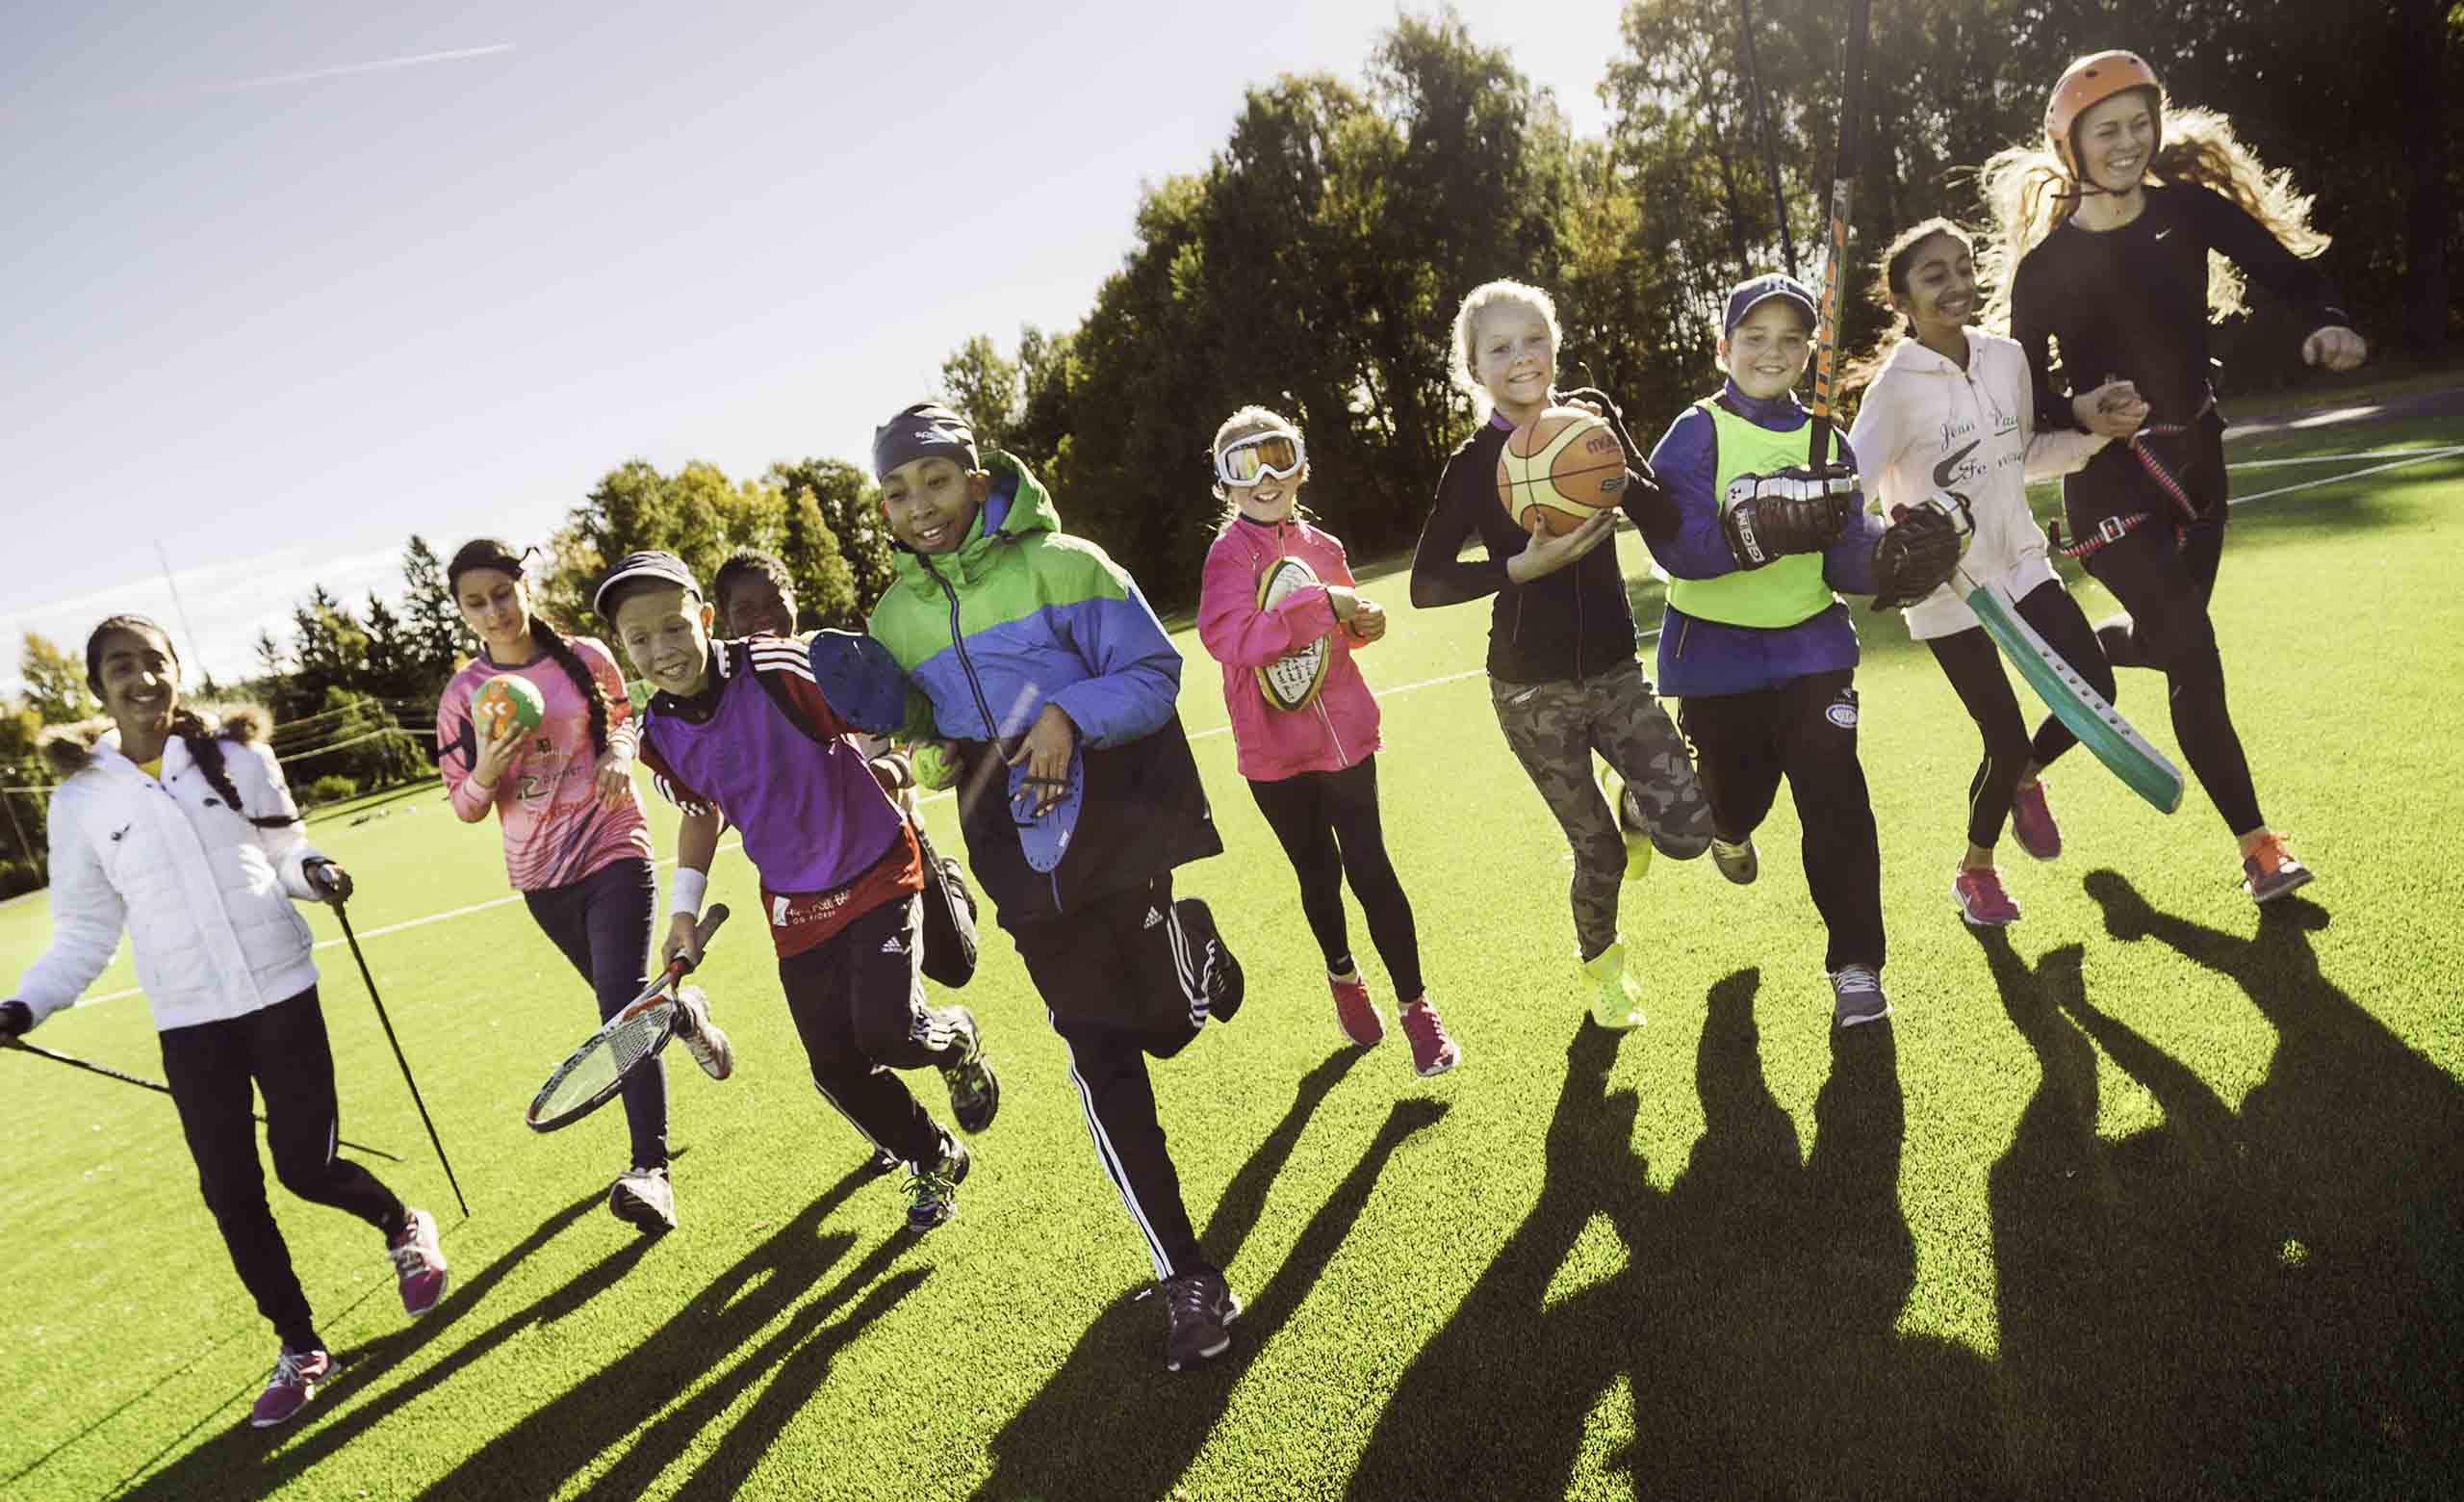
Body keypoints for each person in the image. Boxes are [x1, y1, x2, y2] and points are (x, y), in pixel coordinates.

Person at [864, 402, 1246, 1373]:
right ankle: (1186, 1275)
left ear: (978, 477)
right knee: (1103, 1056)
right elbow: (928, 745)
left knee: (1167, 1025)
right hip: (1014, 849)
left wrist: (1068, 715)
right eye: (899, 493)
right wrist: (909, 756)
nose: (921, 508)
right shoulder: (892, 619)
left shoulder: (1066, 564)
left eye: (937, 482)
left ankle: (1186, 941)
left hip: (1116, 821)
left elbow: (1156, 673)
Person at [2, 615, 446, 1430]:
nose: (142, 679)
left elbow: (285, 853)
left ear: (177, 669)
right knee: (231, 1193)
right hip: (190, 1020)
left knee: (305, 1167)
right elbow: (86, 930)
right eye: (120, 668)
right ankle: (301, 1346)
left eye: (155, 662)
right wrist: (26, 1003)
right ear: (97, 687)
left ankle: (403, 1225)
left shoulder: (239, 754)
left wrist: (317, 873)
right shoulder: (79, 799)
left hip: (281, 992)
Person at [1978, 49, 2368, 903]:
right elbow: (2025, 396)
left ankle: (2022, 768)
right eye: (2106, 129)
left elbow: (2292, 276)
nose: (2128, 142)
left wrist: (2330, 322)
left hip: (2200, 460)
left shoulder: (2189, 211)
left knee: (2161, 641)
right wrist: (2080, 411)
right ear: (2068, 144)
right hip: (2110, 485)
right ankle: (2260, 848)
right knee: (2195, 652)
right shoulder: (2043, 269)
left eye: (2138, 123)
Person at [598, 551, 999, 1236]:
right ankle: (932, 1155)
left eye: (673, 627)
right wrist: (683, 914)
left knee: (892, 1030)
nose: (660, 650)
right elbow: (700, 814)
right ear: (624, 647)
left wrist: (892, 762)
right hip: (795, 904)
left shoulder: (777, 666)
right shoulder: (659, 738)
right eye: (639, 639)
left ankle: (955, 1039)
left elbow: (866, 709)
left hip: (875, 866)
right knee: (836, 1066)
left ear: (703, 618)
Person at [1644, 272, 1961, 1027]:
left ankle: (1856, 966)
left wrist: (1892, 560)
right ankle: (1726, 822)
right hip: (1714, 662)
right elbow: (1675, 547)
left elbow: (1845, 561)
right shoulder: (1696, 431)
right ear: (1724, 347)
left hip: (1811, 653)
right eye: (1754, 338)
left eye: (1791, 339)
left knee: (1836, 798)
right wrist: (1757, 529)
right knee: (1739, 796)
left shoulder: (1832, 441)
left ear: (1812, 353)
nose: (1771, 353)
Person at [1406, 279, 1713, 1033]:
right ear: (1473, 368)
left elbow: (1663, 512)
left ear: (1556, 344)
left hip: (1613, 668)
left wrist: (1605, 462)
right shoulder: (1474, 464)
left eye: (1534, 339)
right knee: (1597, 855)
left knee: (1689, 831)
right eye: (1500, 348)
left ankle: (1635, 809)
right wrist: (1517, 568)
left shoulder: (1591, 422)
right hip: (1529, 691)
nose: (1522, 358)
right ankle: (1604, 971)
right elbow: (1425, 584)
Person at [434, 539, 730, 1233]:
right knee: (629, 1007)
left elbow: (626, 718)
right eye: (475, 604)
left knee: (618, 1014)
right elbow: (465, 805)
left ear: (524, 585)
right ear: (460, 611)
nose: (493, 612)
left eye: (501, 594)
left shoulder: (587, 656)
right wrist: (488, 766)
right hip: (541, 878)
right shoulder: (462, 698)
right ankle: (682, 1016)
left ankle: (650, 1171)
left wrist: (620, 755)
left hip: (612, 848)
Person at [1845, 217, 2134, 924]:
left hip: (2021, 558)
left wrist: (2093, 438)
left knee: (2095, 686)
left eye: (1963, 267)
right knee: (2000, 737)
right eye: (1934, 275)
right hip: (1948, 588)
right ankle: (1976, 872)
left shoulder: (2006, 358)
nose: (1956, 284)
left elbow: (2022, 451)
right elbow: (1847, 494)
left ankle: (2026, 775)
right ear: (1903, 300)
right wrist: (1890, 537)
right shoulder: (1893, 391)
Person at [1196, 404, 1460, 1075]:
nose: (1264, 477)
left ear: (1301, 467)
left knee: (1372, 867)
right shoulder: (1225, 558)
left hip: (1346, 739)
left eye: (1278, 458)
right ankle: (1344, 977)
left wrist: (1360, 626)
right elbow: (1231, 640)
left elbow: (1328, 648)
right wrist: (1326, 608)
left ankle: (1416, 1008)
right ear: (1224, 484)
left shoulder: (1326, 549)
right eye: (1244, 465)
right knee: (1318, 871)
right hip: (1272, 755)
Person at [712, 547, 983, 1180]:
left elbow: (915, 745)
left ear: (793, 600)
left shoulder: (840, 663)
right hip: (829, 892)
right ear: (724, 623)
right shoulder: (737, 695)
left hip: (897, 842)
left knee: (955, 965)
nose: (759, 621)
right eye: (742, 611)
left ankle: (954, 889)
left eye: (770, 604)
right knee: (862, 1031)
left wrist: (880, 773)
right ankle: (904, 1133)